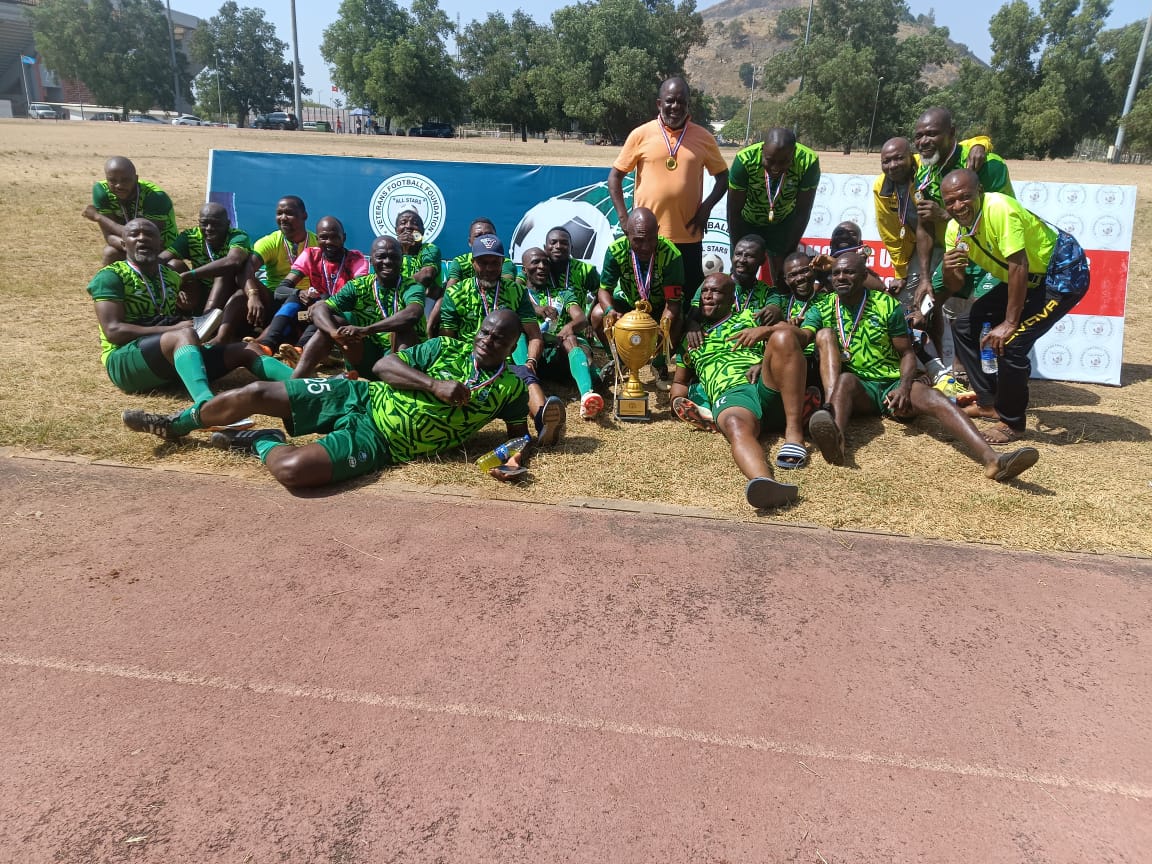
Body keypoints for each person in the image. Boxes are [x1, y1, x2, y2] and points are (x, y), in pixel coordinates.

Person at [122, 310, 542, 490]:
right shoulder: (445, 349)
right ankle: (176, 424)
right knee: (254, 392)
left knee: (293, 470)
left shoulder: (508, 388)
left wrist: (513, 459)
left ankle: (256, 441)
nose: (488, 341)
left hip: (380, 443)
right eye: (485, 332)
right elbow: (384, 366)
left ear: (512, 346)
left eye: (499, 338)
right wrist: (434, 386)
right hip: (358, 395)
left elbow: (518, 435)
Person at [801, 252, 1040, 482]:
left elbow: (906, 353)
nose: (841, 277)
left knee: (934, 397)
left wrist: (904, 388)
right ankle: (837, 442)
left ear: (864, 277)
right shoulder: (822, 305)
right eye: (836, 273)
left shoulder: (885, 304)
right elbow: (805, 334)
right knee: (845, 381)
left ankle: (993, 460)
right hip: (860, 388)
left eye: (849, 272)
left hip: (891, 384)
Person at [938, 169, 1091, 443]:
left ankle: (1012, 423)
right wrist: (948, 270)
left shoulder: (999, 208)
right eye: (950, 201)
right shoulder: (954, 230)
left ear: (979, 192)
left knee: (1012, 343)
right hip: (1024, 278)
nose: (958, 206)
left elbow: (1018, 265)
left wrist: (1010, 323)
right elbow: (956, 282)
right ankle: (988, 403)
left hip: (1061, 274)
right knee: (963, 327)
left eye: (965, 197)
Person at [92, 219, 291, 408]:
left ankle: (302, 384)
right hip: (124, 363)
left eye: (150, 234)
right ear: (124, 244)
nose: (142, 238)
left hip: (168, 361)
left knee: (245, 349)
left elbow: (186, 308)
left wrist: (190, 308)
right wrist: (172, 329)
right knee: (183, 334)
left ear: (160, 242)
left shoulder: (171, 277)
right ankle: (207, 406)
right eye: (134, 234)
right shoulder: (111, 276)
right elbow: (113, 331)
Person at [671, 274, 810, 508]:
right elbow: (680, 382)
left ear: (731, 298)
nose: (707, 296)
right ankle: (765, 483)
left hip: (766, 386)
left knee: (783, 334)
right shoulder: (691, 338)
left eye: (715, 292)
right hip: (734, 396)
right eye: (705, 291)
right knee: (735, 424)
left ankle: (794, 434)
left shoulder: (750, 317)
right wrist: (676, 400)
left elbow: (803, 337)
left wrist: (766, 332)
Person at [608, 76, 728, 304]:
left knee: (687, 297)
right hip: (648, 238)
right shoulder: (640, 134)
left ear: (688, 104)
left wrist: (706, 208)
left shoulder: (704, 137)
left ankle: (683, 340)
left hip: (687, 235)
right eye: (670, 101)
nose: (675, 107)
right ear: (659, 103)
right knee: (645, 297)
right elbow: (615, 177)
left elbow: (723, 178)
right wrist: (624, 219)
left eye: (681, 102)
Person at [440, 235, 564, 445]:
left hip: (503, 364)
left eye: (495, 263)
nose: (489, 268)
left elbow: (534, 335)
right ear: (473, 263)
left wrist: (531, 361)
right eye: (483, 262)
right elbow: (446, 341)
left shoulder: (515, 291)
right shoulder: (455, 293)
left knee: (525, 373)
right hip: (468, 363)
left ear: (502, 263)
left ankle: (545, 425)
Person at [910, 108, 1005, 356]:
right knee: (925, 305)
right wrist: (925, 277)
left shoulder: (985, 164)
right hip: (959, 252)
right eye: (919, 136)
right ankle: (938, 366)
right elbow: (924, 226)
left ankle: (982, 372)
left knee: (979, 313)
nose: (923, 141)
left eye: (931, 134)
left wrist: (944, 215)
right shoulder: (923, 173)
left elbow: (996, 218)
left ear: (952, 133)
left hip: (995, 256)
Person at [303, 235, 426, 379]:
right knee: (333, 322)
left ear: (401, 260)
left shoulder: (411, 286)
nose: (387, 262)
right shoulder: (358, 286)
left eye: (393, 257)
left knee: (404, 330)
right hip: (367, 357)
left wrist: (366, 330)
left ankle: (399, 386)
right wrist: (334, 333)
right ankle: (295, 383)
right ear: (372, 260)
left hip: (403, 360)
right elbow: (320, 308)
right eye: (381, 257)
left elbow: (412, 314)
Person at [250, 216, 369, 363]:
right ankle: (267, 345)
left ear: (343, 238)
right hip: (311, 315)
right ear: (317, 239)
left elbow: (358, 294)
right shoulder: (311, 255)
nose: (329, 242)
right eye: (324, 238)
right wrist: (300, 293)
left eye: (334, 237)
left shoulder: (356, 259)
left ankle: (301, 349)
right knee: (295, 298)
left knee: (323, 302)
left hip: (341, 316)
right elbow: (281, 290)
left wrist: (324, 304)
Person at [727, 128, 820, 289]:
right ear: (762, 149)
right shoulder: (744, 160)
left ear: (794, 153)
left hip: (783, 222)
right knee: (741, 274)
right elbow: (733, 211)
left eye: (784, 161)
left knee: (783, 277)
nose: (776, 167)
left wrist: (788, 251)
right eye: (770, 160)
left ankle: (782, 310)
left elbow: (803, 211)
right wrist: (736, 249)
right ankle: (737, 309)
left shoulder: (808, 162)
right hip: (748, 221)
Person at [221, 195, 318, 345]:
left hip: (306, 302)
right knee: (241, 293)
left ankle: (261, 342)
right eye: (279, 213)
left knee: (297, 305)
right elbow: (246, 270)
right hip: (274, 298)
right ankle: (221, 337)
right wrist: (253, 296)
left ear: (304, 216)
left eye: (289, 213)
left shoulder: (317, 244)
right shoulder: (270, 241)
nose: (283, 218)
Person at [520, 246, 602, 419]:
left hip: (557, 350)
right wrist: (536, 310)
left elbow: (580, 318)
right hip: (531, 353)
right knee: (519, 335)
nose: (542, 266)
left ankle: (587, 395)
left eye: (545, 263)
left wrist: (568, 328)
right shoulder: (516, 293)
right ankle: (528, 385)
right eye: (536, 262)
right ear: (524, 269)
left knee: (571, 339)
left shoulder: (562, 294)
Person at [596, 208, 685, 355]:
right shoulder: (615, 251)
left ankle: (659, 363)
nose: (646, 247)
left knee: (674, 322)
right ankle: (618, 361)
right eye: (638, 240)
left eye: (652, 239)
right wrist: (610, 311)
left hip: (660, 308)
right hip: (628, 306)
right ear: (626, 234)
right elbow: (604, 290)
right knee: (598, 314)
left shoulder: (671, 255)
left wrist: (660, 328)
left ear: (658, 231)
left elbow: (673, 303)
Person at [162, 202, 252, 318]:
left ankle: (206, 321)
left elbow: (233, 262)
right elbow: (163, 258)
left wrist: (189, 275)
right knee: (173, 264)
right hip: (199, 291)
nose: (209, 228)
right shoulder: (190, 236)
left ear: (228, 224)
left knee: (223, 271)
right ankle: (180, 314)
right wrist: (174, 285)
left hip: (229, 292)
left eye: (216, 224)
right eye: (204, 223)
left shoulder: (238, 237)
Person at [83, 156, 177, 265]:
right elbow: (109, 237)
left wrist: (99, 217)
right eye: (112, 180)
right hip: (128, 247)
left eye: (125, 180)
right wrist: (132, 250)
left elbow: (147, 238)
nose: (119, 186)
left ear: (136, 179)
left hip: (161, 250)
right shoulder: (102, 191)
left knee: (174, 265)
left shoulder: (155, 196)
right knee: (110, 252)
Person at [545, 225, 600, 315]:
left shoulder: (585, 270)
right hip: (541, 328)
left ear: (571, 248)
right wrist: (537, 308)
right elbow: (519, 289)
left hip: (576, 326)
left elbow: (601, 293)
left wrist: (589, 320)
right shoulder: (537, 268)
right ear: (545, 247)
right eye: (553, 242)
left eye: (564, 243)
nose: (558, 246)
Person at [396, 209, 442, 298]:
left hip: (425, 302)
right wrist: (398, 247)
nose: (408, 226)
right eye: (403, 223)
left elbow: (427, 274)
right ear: (396, 230)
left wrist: (398, 288)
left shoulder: (430, 248)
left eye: (415, 223)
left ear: (422, 231)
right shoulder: (391, 250)